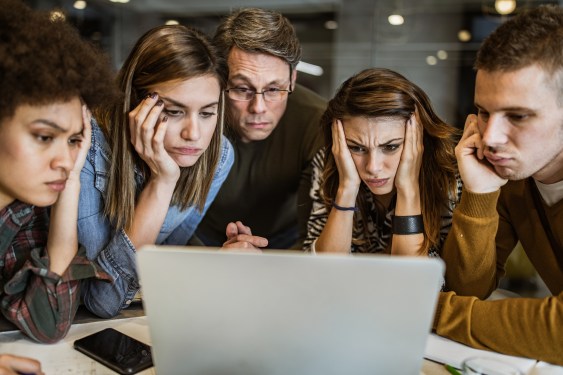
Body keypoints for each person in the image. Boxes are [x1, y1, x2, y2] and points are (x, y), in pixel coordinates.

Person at [435, 5, 563, 365]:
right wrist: (480, 194)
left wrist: (425, 308)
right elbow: (467, 290)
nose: (490, 137)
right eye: (485, 112)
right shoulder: (513, 178)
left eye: (518, 116)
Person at [78, 25, 234, 318]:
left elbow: (155, 269)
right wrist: (161, 183)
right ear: (136, 103)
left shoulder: (218, 155)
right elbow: (101, 299)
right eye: (174, 112)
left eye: (207, 113)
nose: (194, 134)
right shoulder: (87, 145)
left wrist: (220, 262)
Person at [0, 0, 113, 344]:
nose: (64, 159)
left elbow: (48, 326)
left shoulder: (25, 217)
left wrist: (73, 185)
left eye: (74, 139)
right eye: (45, 136)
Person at [194, 8, 328, 249]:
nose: (258, 107)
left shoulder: (317, 122)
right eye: (242, 89)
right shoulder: (195, 114)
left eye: (274, 90)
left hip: (286, 242)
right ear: (219, 79)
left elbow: (317, 234)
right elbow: (170, 217)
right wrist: (212, 259)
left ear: (293, 80)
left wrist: (270, 265)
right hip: (200, 235)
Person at [304, 68, 462, 256]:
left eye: (390, 147)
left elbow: (412, 279)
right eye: (357, 148)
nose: (373, 167)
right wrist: (346, 188)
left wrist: (408, 189)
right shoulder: (329, 163)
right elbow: (321, 272)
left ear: (420, 139)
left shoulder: (450, 177)